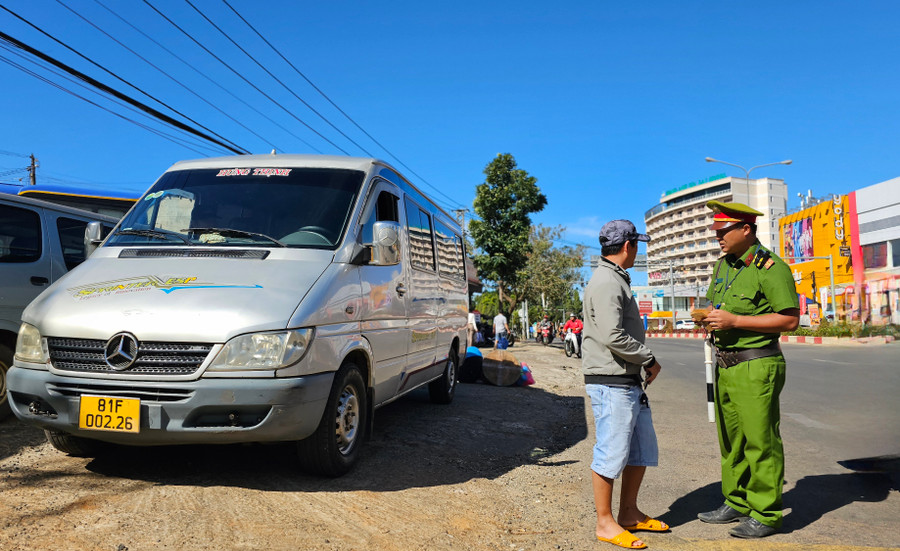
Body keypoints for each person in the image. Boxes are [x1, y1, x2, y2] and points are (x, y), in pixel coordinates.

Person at [696, 201, 799, 539]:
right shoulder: (723, 266)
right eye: (716, 233)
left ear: (746, 229)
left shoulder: (769, 267)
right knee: (731, 441)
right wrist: (708, 318)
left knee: (760, 440)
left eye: (723, 232)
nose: (718, 239)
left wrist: (736, 320)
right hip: (726, 364)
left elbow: (790, 319)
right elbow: (718, 306)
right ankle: (737, 501)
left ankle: (766, 513)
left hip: (756, 364)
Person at [583, 219, 666, 550]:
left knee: (641, 450)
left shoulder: (616, 278)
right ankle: (605, 522)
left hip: (626, 380)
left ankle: (628, 512)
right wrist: (648, 358)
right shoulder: (606, 281)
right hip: (611, 380)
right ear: (629, 246)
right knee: (611, 453)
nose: (638, 252)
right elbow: (612, 335)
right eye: (638, 246)